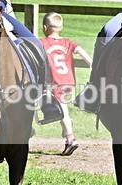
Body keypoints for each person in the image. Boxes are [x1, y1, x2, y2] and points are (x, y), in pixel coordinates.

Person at [40, 12, 93, 156]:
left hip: (55, 81)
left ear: (45, 28)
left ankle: (70, 138)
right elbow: (80, 50)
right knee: (61, 109)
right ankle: (67, 128)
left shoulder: (42, 43)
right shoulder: (68, 42)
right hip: (68, 80)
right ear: (61, 27)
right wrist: (92, 64)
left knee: (61, 109)